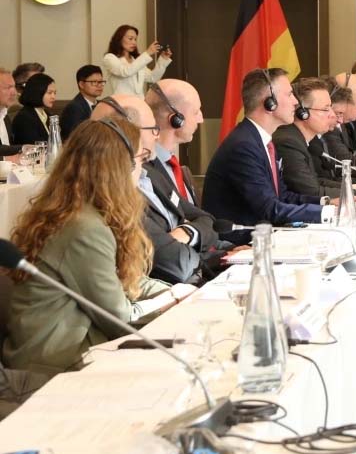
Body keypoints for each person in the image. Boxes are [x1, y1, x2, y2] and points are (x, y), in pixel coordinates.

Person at [2, 117, 195, 375]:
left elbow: (127, 281)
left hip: (72, 354)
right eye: (140, 160)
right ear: (120, 168)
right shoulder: (83, 228)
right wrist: (170, 300)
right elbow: (120, 319)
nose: (142, 171)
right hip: (55, 369)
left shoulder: (82, 212)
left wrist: (178, 292)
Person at [96, 94, 229, 286]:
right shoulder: (115, 191)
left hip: (196, 277)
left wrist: (189, 232)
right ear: (125, 133)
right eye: (153, 129)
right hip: (174, 287)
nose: (157, 136)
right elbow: (177, 264)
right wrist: (201, 249)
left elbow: (207, 220)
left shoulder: (150, 172)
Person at [202, 68, 336, 226]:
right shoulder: (244, 146)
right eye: (289, 94)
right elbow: (270, 209)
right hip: (245, 237)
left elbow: (282, 196)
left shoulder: (262, 141)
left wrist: (326, 203)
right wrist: (328, 213)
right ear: (269, 103)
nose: (295, 102)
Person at [145, 80, 251, 248]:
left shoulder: (180, 170)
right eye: (196, 112)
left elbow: (206, 222)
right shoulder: (143, 173)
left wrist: (230, 250)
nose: (201, 119)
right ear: (175, 119)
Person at [275, 78, 345, 198]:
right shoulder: (288, 142)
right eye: (325, 109)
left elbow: (315, 181)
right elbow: (311, 191)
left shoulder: (300, 139)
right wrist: (353, 193)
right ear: (303, 113)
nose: (333, 115)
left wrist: (353, 188)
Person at [100, 24, 171, 98]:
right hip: (122, 102)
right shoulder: (110, 58)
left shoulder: (136, 60)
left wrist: (163, 59)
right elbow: (125, 72)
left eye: (135, 39)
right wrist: (147, 53)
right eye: (130, 39)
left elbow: (152, 78)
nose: (134, 42)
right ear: (119, 39)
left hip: (139, 102)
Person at [60, 65, 104, 139]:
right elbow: (78, 136)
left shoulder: (101, 105)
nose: (99, 85)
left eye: (101, 82)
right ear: (81, 84)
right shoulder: (74, 107)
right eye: (94, 82)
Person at [11, 73, 56, 146]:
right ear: (37, 92)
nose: (53, 97)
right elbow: (33, 146)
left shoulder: (48, 114)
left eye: (55, 93)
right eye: (49, 93)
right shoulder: (24, 118)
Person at [0, 68, 21, 158]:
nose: (14, 93)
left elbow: (7, 148)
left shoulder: (5, 116)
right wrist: (22, 148)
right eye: (8, 88)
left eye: (14, 87)